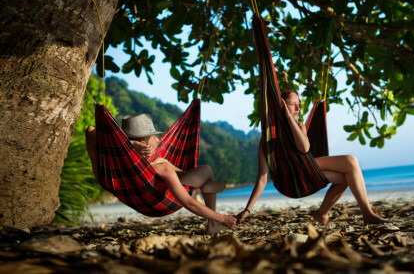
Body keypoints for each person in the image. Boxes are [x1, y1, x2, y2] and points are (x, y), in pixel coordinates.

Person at [236, 89, 387, 225]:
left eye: (299, 104)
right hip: (289, 182)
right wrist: (247, 210)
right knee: (350, 161)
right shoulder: (267, 139)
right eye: (292, 104)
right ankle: (367, 214)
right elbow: (262, 179)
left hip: (305, 173)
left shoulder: (300, 126)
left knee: (347, 178)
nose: (298, 108)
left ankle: (322, 214)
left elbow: (304, 147)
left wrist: (292, 120)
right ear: (281, 107)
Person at [85, 113, 237, 234]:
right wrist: (223, 219)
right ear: (144, 143)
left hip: (139, 192)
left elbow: (90, 131)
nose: (158, 140)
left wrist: (130, 145)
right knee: (206, 170)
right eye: (154, 137)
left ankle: (204, 186)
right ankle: (211, 221)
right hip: (163, 199)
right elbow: (189, 203)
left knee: (161, 160)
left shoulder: (111, 167)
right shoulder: (163, 168)